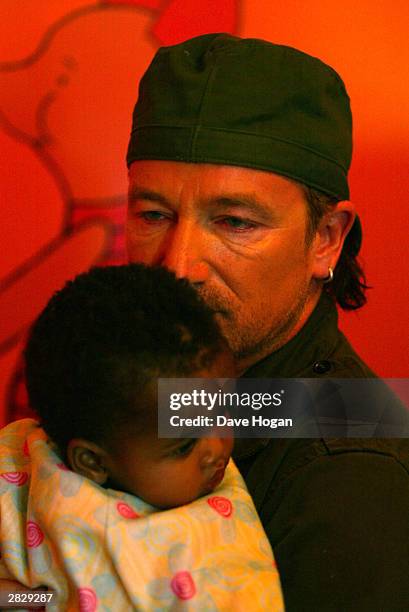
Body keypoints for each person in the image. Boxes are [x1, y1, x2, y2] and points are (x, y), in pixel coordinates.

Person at [123, 33, 409, 609]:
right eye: (153, 214)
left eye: (233, 222)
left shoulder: (350, 471)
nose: (178, 266)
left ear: (326, 240)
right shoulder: (154, 382)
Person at [0, 264, 283, 611]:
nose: (217, 448)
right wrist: (34, 599)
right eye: (184, 445)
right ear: (92, 462)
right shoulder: (19, 472)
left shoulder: (214, 542)